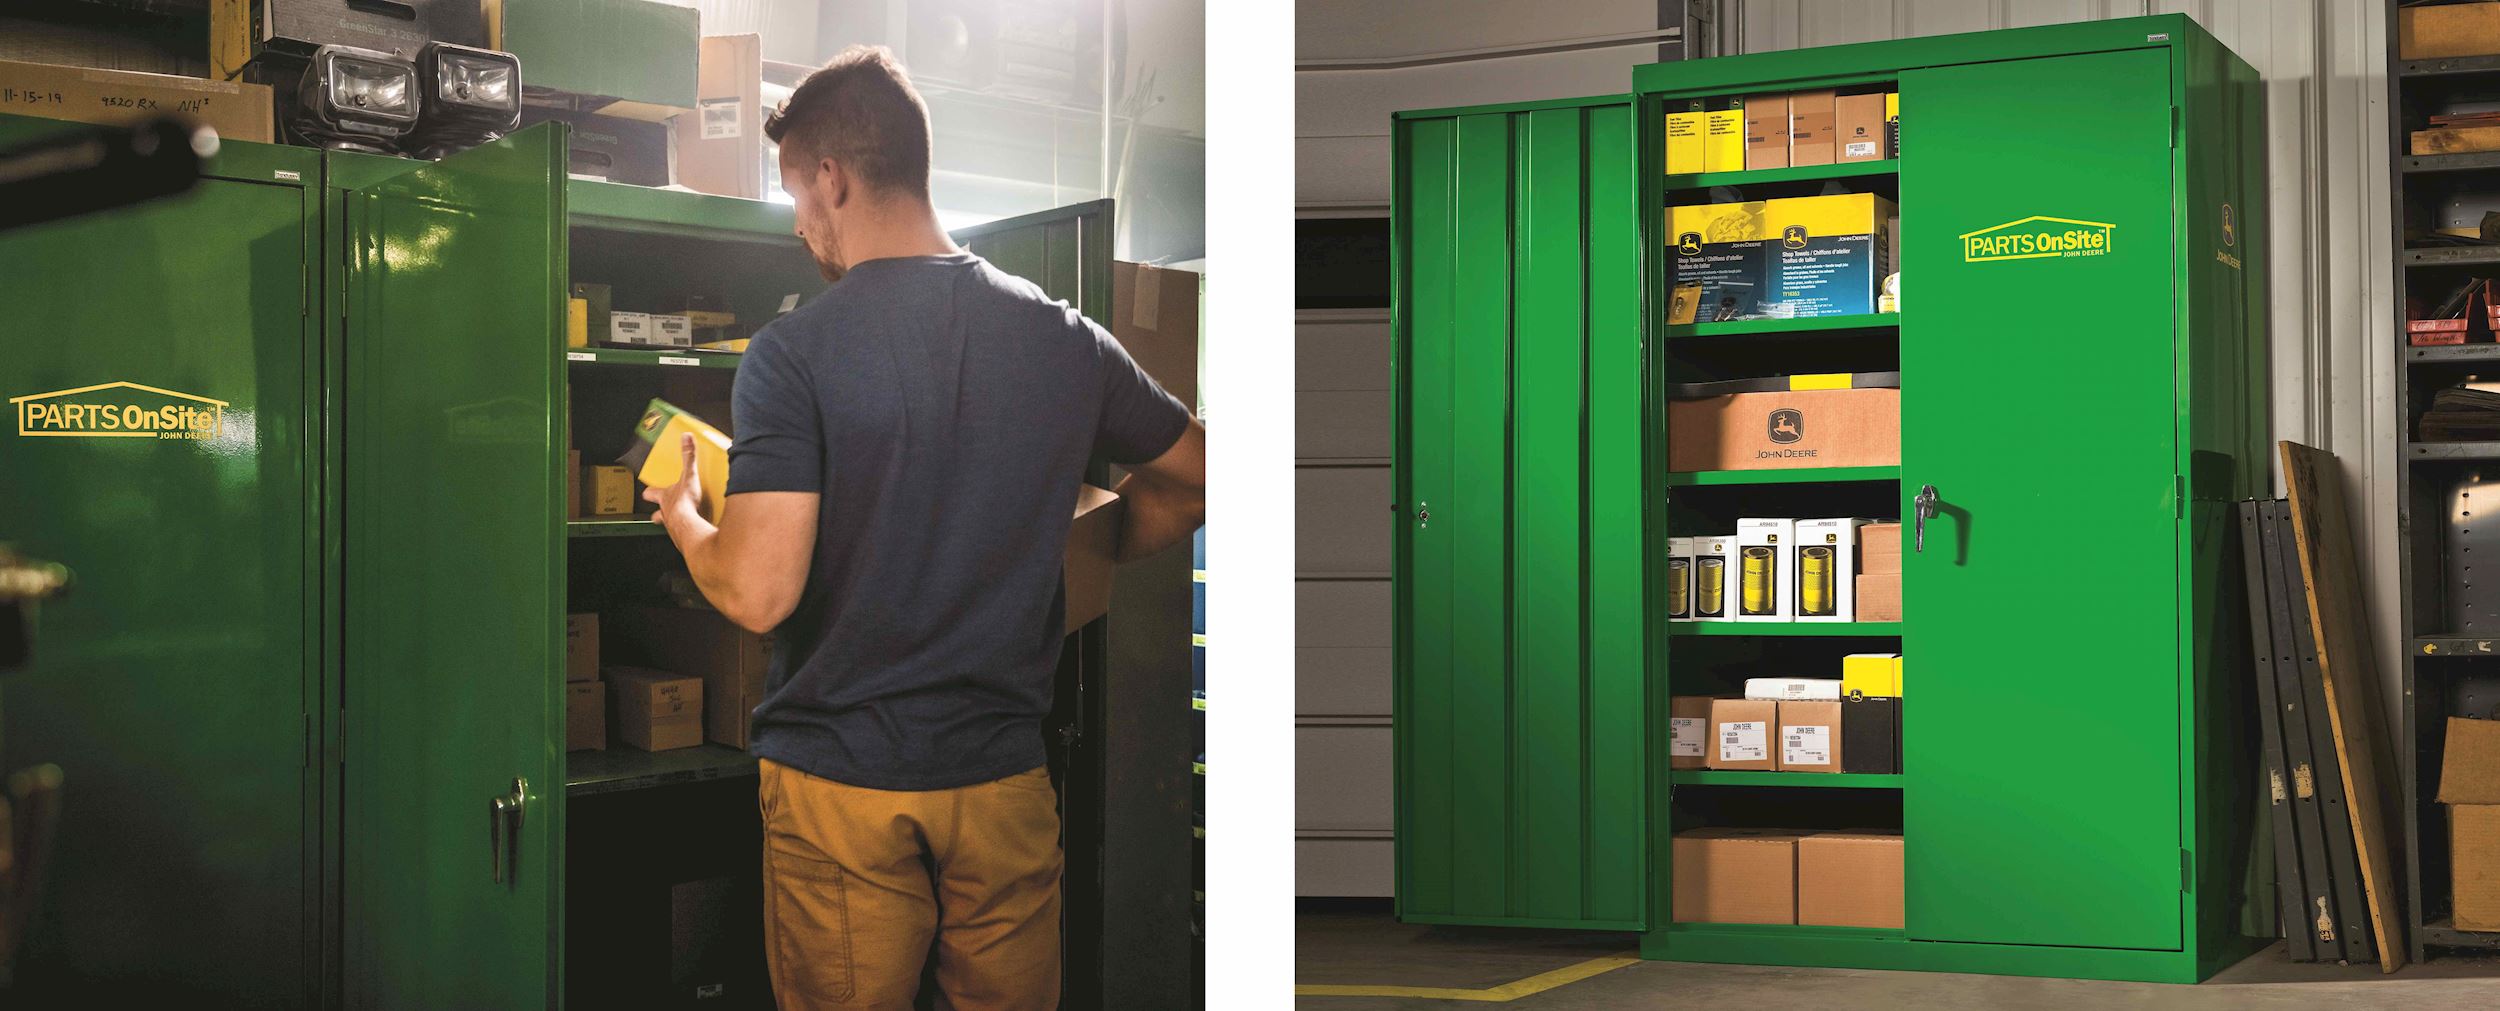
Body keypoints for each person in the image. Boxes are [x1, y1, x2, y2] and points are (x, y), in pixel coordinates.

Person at [641, 44, 1205, 1011]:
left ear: (831, 175)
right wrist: (1065, 558)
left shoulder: (794, 354)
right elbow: (1195, 478)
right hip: (1003, 784)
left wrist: (690, 521)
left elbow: (762, 587)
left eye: (796, 198)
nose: (803, 226)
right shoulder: (1065, 339)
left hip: (842, 789)